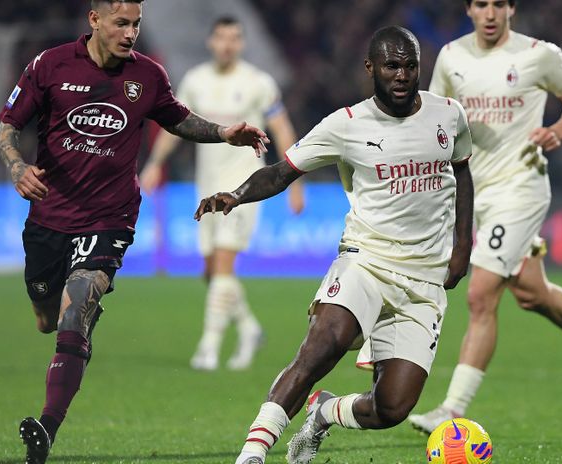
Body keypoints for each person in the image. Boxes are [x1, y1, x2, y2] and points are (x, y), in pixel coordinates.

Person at [0, 1, 270, 463]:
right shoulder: (50, 66)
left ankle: (47, 429)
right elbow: (8, 126)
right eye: (121, 23)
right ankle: (73, 329)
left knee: (76, 308)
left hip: (111, 216)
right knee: (46, 316)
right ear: (94, 20)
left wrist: (224, 133)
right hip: (50, 218)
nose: (130, 33)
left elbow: (176, 118)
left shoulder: (148, 75)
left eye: (136, 24)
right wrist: (18, 166)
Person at [195, 26, 474, 464]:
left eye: (411, 66)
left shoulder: (449, 115)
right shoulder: (345, 124)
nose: (402, 75)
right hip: (366, 260)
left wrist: (463, 246)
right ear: (371, 69)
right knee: (322, 345)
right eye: (392, 66)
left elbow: (461, 173)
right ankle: (253, 452)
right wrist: (236, 195)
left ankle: (323, 413)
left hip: (424, 278)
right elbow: (282, 172)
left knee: (392, 408)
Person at [395, 0, 562, 432]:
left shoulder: (538, 55)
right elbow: (433, 117)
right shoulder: (452, 57)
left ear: (511, 8)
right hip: (478, 192)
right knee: (532, 293)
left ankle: (451, 409)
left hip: (521, 188)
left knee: (481, 293)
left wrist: (557, 132)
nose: (489, 13)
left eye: (498, 4)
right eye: (481, 5)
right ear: (469, 10)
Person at [139, 16, 304, 371]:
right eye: (221, 38)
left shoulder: (258, 83)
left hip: (245, 187)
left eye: (234, 38)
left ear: (241, 43)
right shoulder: (195, 81)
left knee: (224, 264)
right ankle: (249, 329)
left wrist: (296, 181)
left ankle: (208, 348)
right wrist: (155, 162)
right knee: (211, 271)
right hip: (206, 186)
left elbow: (282, 128)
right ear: (211, 42)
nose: (227, 44)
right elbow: (175, 126)